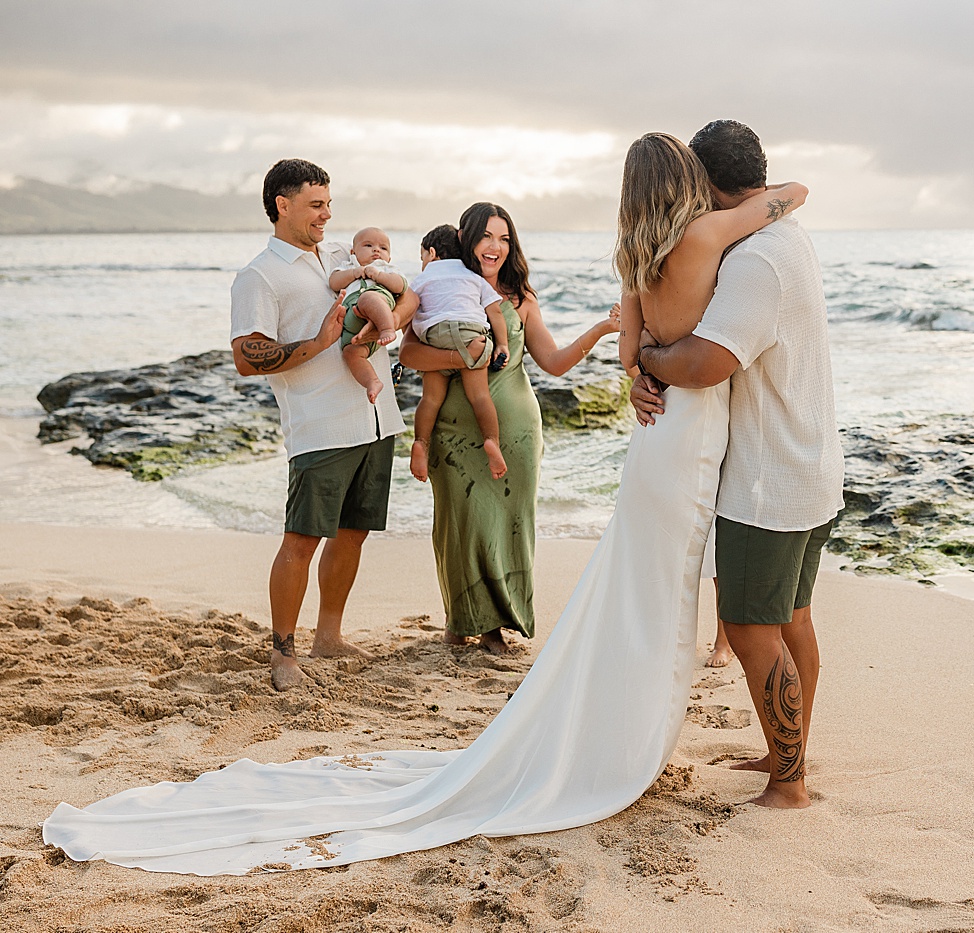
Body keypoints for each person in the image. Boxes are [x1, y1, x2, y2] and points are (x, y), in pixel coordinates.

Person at [40, 129, 806, 874]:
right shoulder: (710, 238)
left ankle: (628, 717)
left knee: (640, 582)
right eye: (315, 202)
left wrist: (649, 370)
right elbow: (788, 196)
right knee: (660, 585)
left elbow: (630, 355)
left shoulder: (634, 258)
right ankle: (699, 745)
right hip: (683, 437)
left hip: (653, 441)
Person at [631, 120, 844, 809]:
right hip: (808, 464)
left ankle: (790, 783)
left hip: (767, 479)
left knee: (753, 625)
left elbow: (709, 360)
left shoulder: (755, 261)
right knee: (792, 618)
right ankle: (790, 753)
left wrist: (647, 361)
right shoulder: (787, 237)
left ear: (709, 185)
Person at [398, 203, 620, 654]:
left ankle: (495, 625)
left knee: (507, 524)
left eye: (503, 238)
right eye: (486, 236)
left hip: (515, 430)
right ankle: (461, 619)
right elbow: (409, 355)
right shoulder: (444, 290)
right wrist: (465, 357)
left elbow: (554, 364)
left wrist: (600, 329)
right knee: (460, 525)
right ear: (465, 239)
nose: (495, 247)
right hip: (451, 433)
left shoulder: (521, 301)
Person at [227, 159, 413, 692]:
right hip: (320, 427)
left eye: (329, 204)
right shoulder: (259, 275)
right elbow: (246, 356)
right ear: (282, 205)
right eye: (316, 205)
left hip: (376, 419)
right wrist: (320, 343)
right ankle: (283, 651)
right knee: (301, 540)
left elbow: (401, 292)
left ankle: (327, 635)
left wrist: (391, 320)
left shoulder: (337, 256)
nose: (326, 215)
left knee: (354, 533)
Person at [405, 221, 512, 482]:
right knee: (480, 397)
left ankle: (420, 443)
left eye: (422, 257)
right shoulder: (472, 277)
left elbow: (408, 307)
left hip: (433, 336)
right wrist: (502, 344)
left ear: (431, 253)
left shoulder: (423, 278)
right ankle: (491, 441)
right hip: (469, 333)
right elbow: (494, 311)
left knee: (430, 398)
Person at [327, 226, 415, 404]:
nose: (376, 250)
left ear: (389, 257)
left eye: (383, 248)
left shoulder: (387, 268)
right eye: (368, 245)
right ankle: (372, 382)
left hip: (377, 300)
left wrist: (380, 276)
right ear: (353, 252)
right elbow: (333, 282)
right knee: (350, 353)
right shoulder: (349, 266)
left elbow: (401, 286)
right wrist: (353, 273)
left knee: (368, 298)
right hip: (353, 319)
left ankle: (387, 329)